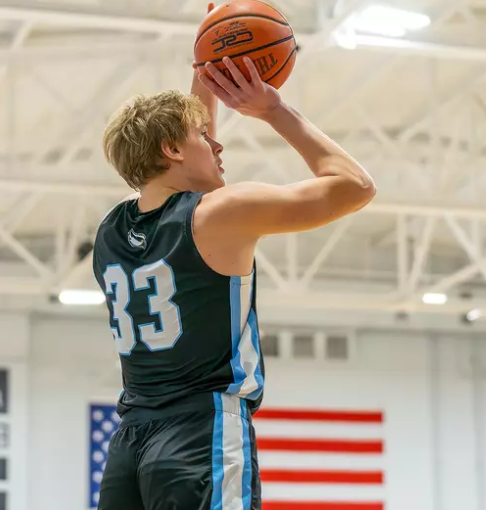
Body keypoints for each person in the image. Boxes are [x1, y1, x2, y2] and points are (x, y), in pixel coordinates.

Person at [91, 5, 376, 508]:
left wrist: (206, 74)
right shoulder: (221, 213)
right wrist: (272, 110)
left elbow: (185, 156)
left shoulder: (111, 231)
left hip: (130, 445)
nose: (218, 147)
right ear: (172, 150)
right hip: (201, 432)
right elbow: (355, 186)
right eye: (204, 137)